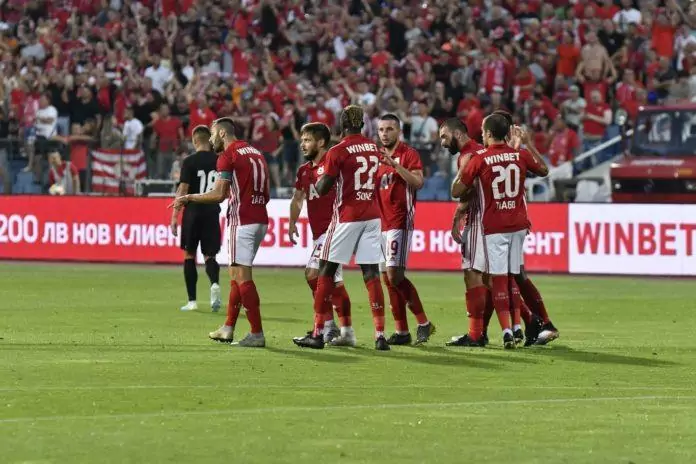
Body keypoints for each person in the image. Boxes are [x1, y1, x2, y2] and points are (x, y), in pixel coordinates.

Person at [292, 105, 389, 351]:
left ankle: (318, 332)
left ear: (341, 125)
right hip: (372, 215)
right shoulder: (373, 147)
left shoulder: (338, 150)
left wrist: (323, 177)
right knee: (371, 274)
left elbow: (323, 188)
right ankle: (380, 336)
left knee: (325, 272)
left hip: (347, 215)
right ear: (362, 124)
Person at [452, 113, 549, 349]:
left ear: (487, 133)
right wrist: (528, 144)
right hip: (519, 225)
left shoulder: (480, 158)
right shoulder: (520, 155)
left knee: (497, 279)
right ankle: (518, 327)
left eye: (482, 132)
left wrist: (463, 169)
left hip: (495, 226)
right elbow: (544, 170)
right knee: (512, 276)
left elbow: (457, 191)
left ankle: (507, 331)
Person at [171, 118, 269, 348]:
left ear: (222, 133)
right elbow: (266, 191)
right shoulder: (255, 152)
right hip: (260, 218)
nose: (212, 138)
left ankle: (256, 333)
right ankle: (228, 328)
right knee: (236, 274)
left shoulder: (228, 155)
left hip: (241, 220)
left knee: (242, 277)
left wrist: (188, 197)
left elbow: (219, 194)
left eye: (214, 133)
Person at [289, 122, 354, 346]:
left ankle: (327, 326)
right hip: (319, 233)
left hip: (335, 229)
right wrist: (292, 222)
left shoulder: (334, 164)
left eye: (307, 140)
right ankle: (344, 331)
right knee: (334, 283)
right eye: (302, 140)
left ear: (321, 142)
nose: (302, 144)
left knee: (312, 273)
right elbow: (298, 198)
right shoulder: (304, 170)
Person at [375, 113, 435, 345]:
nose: (385, 134)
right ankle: (402, 332)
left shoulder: (409, 154)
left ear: (399, 131)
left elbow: (418, 182)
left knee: (394, 275)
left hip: (399, 221)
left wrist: (395, 165)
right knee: (387, 279)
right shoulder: (376, 158)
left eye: (389, 129)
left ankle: (423, 323)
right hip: (380, 224)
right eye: (381, 129)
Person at [439, 118, 490, 347]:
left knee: (472, 274)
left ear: (458, 134)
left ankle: (475, 334)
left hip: (479, 219)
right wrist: (460, 211)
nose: (442, 142)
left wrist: (458, 213)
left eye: (444, 136)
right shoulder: (481, 150)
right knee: (490, 278)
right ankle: (491, 330)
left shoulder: (468, 155)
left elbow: (461, 190)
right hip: (491, 219)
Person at [170, 125, 222, 313]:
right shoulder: (219, 160)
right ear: (210, 140)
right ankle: (214, 284)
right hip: (212, 211)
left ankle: (192, 301)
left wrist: (175, 215)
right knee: (210, 256)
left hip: (192, 212)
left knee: (189, 254)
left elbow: (183, 189)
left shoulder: (189, 161)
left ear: (194, 140)